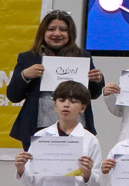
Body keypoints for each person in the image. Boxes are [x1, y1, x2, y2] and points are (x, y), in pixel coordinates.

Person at [7, 10, 105, 149]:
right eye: (51, 29)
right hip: (36, 127)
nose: (57, 34)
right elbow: (13, 96)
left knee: (75, 163)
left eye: (63, 30)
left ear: (70, 33)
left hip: (75, 126)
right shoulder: (28, 58)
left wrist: (98, 80)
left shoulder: (82, 56)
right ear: (43, 32)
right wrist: (25, 75)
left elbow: (93, 94)